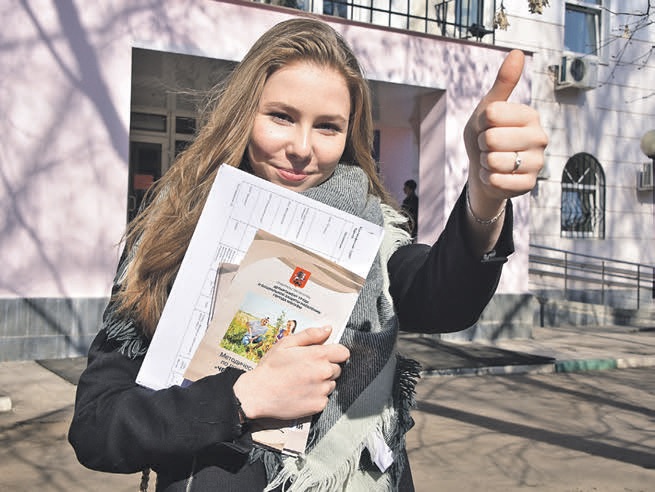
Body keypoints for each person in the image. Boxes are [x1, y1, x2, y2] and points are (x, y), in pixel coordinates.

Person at [68, 17, 547, 492]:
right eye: (281, 116)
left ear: (349, 135)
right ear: (242, 113)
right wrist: (239, 399)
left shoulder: (369, 233)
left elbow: (443, 300)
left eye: (327, 127)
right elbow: (97, 426)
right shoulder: (171, 233)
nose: (301, 148)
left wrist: (486, 197)